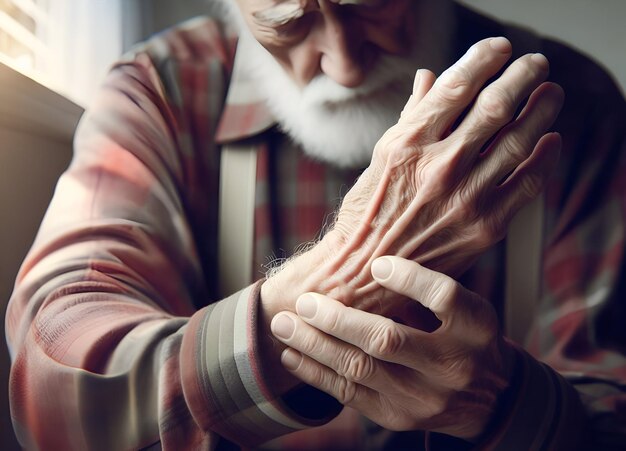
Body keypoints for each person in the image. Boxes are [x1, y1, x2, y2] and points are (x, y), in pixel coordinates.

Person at [5, 0, 626, 449]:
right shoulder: (161, 90)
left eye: (372, 4)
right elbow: (57, 382)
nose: (345, 63)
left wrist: (507, 402)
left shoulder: (577, 107)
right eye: (288, 21)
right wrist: (353, 271)